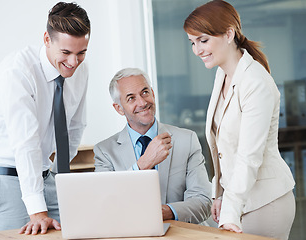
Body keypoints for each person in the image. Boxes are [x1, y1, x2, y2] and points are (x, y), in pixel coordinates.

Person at [0, 2, 90, 235]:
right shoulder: (17, 71)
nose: (73, 62)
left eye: (81, 53)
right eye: (66, 53)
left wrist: (60, 175)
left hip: (45, 177)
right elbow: (25, 142)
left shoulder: (79, 69)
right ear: (47, 39)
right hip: (5, 177)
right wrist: (37, 212)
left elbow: (76, 125)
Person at [183, 1, 295, 239]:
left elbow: (248, 155)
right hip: (240, 200)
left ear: (228, 34)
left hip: (265, 203)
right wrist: (220, 193)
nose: (197, 50)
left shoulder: (255, 82)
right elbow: (224, 149)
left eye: (203, 40)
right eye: (192, 43)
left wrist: (230, 213)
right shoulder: (221, 74)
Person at [94, 68, 212, 224]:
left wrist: (166, 212)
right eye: (131, 98)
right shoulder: (105, 152)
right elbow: (106, 205)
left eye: (145, 92)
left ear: (153, 94)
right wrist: (144, 163)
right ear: (119, 108)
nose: (142, 102)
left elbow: (203, 202)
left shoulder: (187, 139)